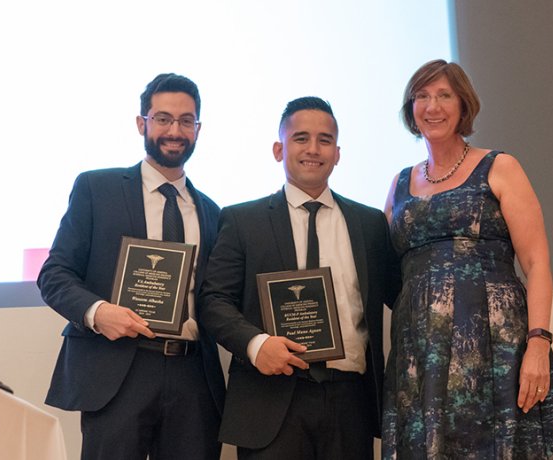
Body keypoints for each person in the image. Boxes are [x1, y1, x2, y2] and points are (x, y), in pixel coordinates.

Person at [382, 59, 553, 459]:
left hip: (496, 347)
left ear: (463, 104)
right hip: (420, 353)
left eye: (443, 95)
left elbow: (537, 262)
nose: (432, 106)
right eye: (421, 96)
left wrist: (538, 344)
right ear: (411, 108)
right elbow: (389, 271)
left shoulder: (500, 167)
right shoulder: (399, 183)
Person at [199, 96, 400, 459]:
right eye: (301, 138)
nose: (313, 149)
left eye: (325, 140)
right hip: (270, 398)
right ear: (279, 149)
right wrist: (256, 345)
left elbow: (400, 295)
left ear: (338, 153)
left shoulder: (369, 224)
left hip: (349, 402)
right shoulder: (243, 221)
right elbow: (213, 301)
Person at [38, 73, 225, 460]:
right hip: (118, 370)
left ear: (198, 129)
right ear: (142, 123)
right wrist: (97, 312)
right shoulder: (96, 189)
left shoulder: (212, 212)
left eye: (186, 121)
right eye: (163, 118)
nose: (175, 130)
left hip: (192, 377)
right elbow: (54, 274)